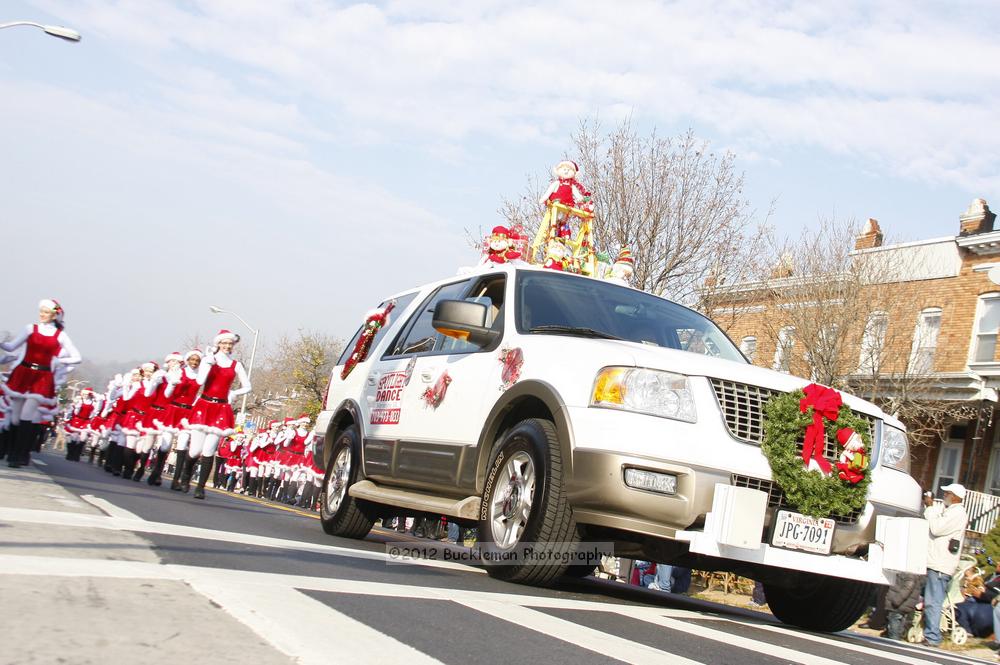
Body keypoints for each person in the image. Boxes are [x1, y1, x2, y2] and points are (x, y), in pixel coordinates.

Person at [0, 299, 82, 467]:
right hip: (23, 372)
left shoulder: (60, 335)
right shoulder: (30, 328)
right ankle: (13, 451)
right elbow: (11, 346)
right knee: (15, 416)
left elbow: (77, 357)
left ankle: (18, 455)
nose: (42, 315)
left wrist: (58, 360)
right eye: (41, 311)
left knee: (27, 414)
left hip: (43, 376)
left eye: (46, 312)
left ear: (53, 315)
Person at [182, 331, 250, 500]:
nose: (227, 346)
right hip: (204, 405)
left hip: (221, 408)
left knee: (209, 450)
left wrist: (234, 393)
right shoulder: (209, 360)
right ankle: (186, 474)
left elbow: (248, 386)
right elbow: (200, 381)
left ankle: (200, 487)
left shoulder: (236, 365)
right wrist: (207, 362)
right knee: (195, 450)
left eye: (230, 344)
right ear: (219, 344)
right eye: (224, 343)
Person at [922, 483, 970, 646]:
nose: (944, 496)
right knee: (930, 600)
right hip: (936, 562)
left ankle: (933, 636)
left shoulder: (957, 514)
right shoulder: (949, 511)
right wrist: (930, 506)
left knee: (933, 601)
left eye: (947, 493)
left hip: (941, 564)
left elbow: (936, 527)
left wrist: (929, 508)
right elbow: (935, 518)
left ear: (955, 496)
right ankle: (930, 633)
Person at [886, 571, 925, 640]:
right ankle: (897, 637)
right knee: (900, 621)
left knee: (895, 621)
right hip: (904, 604)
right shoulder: (916, 574)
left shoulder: (910, 573)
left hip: (900, 604)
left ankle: (894, 639)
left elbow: (908, 587)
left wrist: (896, 600)